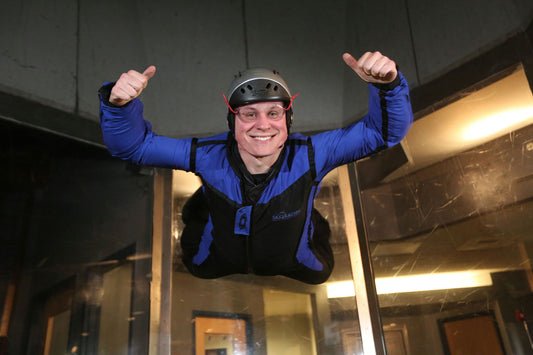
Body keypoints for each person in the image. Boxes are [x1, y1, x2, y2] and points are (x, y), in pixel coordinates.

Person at [98, 51, 413, 284]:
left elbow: (383, 133)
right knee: (196, 264)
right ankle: (206, 201)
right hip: (217, 258)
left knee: (320, 273)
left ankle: (306, 214)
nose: (262, 125)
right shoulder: (209, 155)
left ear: (287, 120)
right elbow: (133, 147)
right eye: (249, 114)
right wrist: (120, 106)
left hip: (293, 258)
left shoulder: (311, 154)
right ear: (233, 120)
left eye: (274, 113)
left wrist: (389, 86)